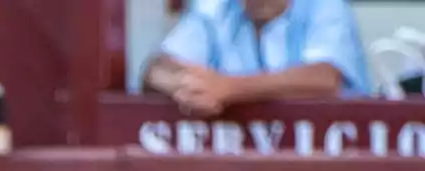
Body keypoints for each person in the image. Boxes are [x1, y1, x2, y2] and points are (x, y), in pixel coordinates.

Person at [142, 0, 371, 116]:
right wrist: (192, 88)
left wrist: (227, 89)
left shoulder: (324, 6)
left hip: (326, 167)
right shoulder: (216, 8)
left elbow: (323, 79)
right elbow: (156, 70)